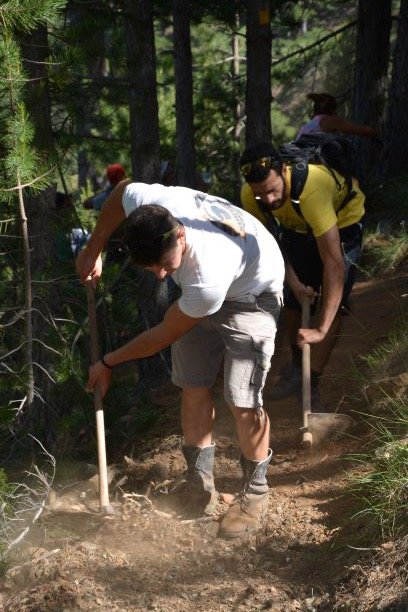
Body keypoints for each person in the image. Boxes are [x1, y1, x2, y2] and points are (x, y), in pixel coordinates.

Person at [76, 181, 285, 539]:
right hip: (206, 288)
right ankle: (199, 481)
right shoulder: (150, 204)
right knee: (192, 381)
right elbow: (121, 192)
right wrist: (93, 249)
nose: (159, 275)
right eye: (150, 268)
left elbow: (163, 334)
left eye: (163, 264)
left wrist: (109, 362)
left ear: (181, 235)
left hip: (253, 292)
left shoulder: (206, 276)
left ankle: (255, 492)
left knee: (242, 396)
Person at [239, 141, 365, 410]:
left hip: (342, 225)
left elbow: (334, 264)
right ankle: (297, 370)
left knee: (335, 305)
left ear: (283, 170)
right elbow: (270, 244)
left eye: (272, 190)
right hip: (297, 230)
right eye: (261, 194)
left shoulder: (312, 188)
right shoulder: (251, 196)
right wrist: (294, 284)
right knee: (293, 303)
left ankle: (312, 381)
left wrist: (320, 329)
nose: (269, 200)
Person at [296, 92, 378, 141]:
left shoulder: (310, 125)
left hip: (298, 166)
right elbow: (366, 131)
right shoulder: (327, 120)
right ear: (333, 109)